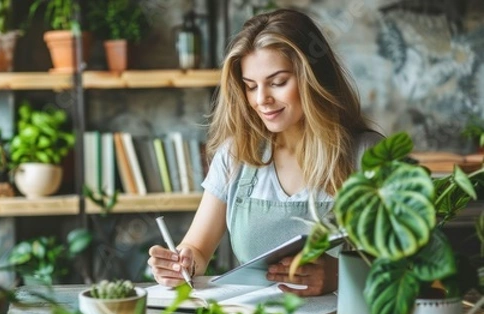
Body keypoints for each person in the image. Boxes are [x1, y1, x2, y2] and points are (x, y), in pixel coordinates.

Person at [147, 8, 383, 296]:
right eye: (250, 87)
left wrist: (338, 276)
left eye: (278, 82)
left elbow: (410, 267)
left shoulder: (368, 155)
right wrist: (180, 263)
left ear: (312, 77)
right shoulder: (236, 155)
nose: (262, 100)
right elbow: (197, 249)